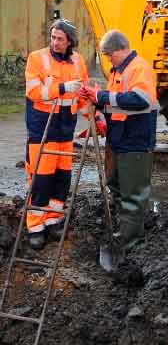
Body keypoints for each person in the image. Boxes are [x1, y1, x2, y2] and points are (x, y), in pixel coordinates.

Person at [79, 30, 157, 257]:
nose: (107, 59)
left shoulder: (139, 69)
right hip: (119, 140)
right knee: (117, 188)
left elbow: (140, 100)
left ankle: (132, 247)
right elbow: (116, 104)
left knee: (133, 195)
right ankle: (125, 234)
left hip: (135, 142)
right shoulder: (117, 71)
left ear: (121, 49)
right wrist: (99, 104)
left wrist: (101, 97)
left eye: (109, 55)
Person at [25, 19, 88, 250]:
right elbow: (33, 91)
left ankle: (53, 219)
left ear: (70, 41)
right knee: (40, 180)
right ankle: (35, 227)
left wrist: (95, 117)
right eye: (53, 37)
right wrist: (61, 88)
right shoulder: (37, 58)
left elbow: (81, 96)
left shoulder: (78, 60)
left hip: (65, 130)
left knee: (61, 178)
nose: (55, 42)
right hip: (42, 129)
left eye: (60, 39)